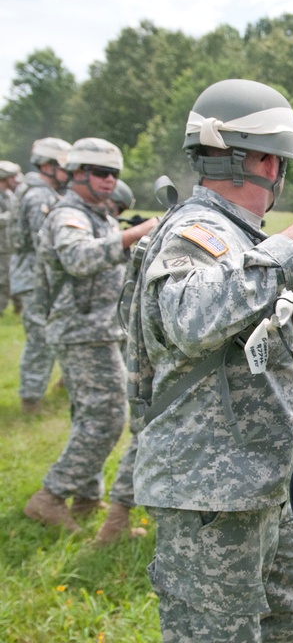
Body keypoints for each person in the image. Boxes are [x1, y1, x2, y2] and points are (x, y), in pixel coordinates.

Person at [130, 78, 293, 641]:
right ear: (269, 163)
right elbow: (191, 320)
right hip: (210, 490)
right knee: (215, 631)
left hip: (269, 477)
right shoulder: (196, 232)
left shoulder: (238, 236)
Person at [23, 138, 159, 534]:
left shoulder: (96, 212)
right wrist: (137, 234)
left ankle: (85, 496)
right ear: (76, 173)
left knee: (89, 414)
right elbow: (79, 259)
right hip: (82, 329)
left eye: (114, 174)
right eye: (100, 173)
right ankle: (50, 496)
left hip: (98, 328)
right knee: (106, 415)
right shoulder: (69, 215)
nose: (108, 181)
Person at [93, 178, 148, 546]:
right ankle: (114, 521)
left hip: (115, 328)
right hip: (91, 326)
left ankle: (109, 514)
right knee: (146, 426)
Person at [11, 137, 71, 414]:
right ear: (47, 166)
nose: (68, 174)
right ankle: (30, 402)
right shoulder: (38, 197)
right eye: (63, 167)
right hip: (35, 277)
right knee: (40, 339)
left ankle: (61, 385)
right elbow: (44, 245)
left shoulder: (40, 193)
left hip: (39, 277)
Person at [0, 160, 23, 315]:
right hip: (1, 247)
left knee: (10, 279)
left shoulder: (9, 195)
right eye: (12, 177)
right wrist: (13, 216)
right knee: (2, 281)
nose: (15, 180)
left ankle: (17, 309)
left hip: (9, 245)